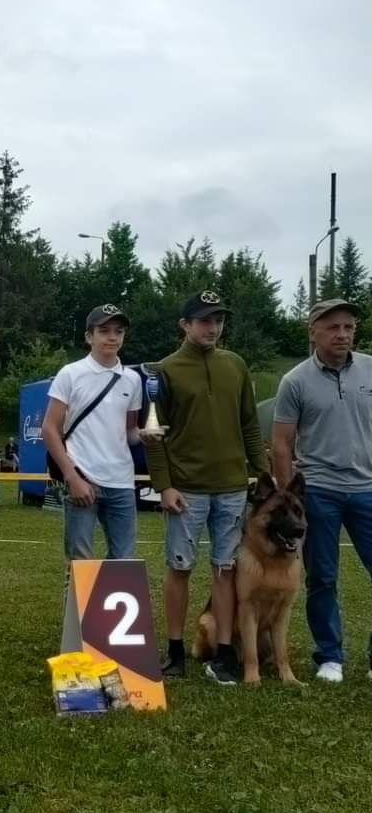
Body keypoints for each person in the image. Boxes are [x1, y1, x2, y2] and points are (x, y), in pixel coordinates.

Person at [143, 291, 268, 685]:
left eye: (218, 320)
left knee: (226, 571)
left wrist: (262, 473)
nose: (212, 327)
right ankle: (176, 651)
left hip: (232, 487)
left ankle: (225, 653)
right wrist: (163, 485)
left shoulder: (235, 365)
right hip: (186, 490)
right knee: (179, 567)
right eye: (203, 320)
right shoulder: (163, 371)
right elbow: (153, 435)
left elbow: (249, 423)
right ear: (184, 324)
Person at [272, 298, 372, 683]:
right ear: (312, 332)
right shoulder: (294, 381)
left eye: (348, 327)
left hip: (367, 489)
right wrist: (288, 498)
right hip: (319, 492)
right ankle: (330, 656)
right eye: (333, 327)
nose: (342, 335)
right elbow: (281, 443)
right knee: (323, 577)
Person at [42, 304, 143, 560]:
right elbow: (49, 428)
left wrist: (146, 436)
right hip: (83, 476)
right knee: (80, 565)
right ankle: (77, 603)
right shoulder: (71, 374)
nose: (112, 337)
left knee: (124, 563)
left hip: (122, 482)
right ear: (89, 337)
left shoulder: (132, 380)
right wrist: (72, 477)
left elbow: (129, 432)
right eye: (104, 331)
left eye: (118, 331)